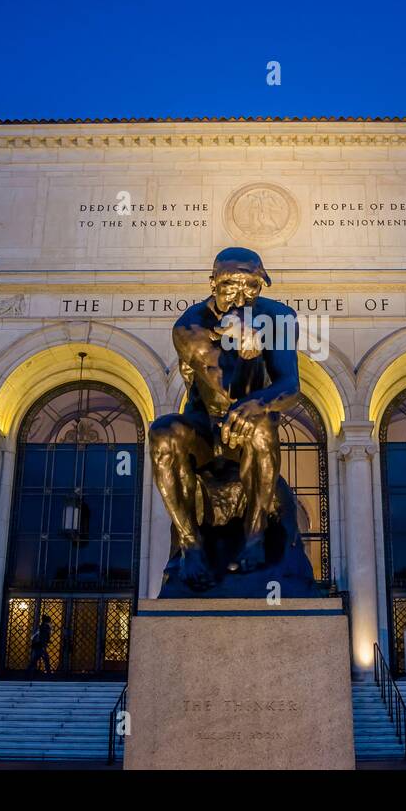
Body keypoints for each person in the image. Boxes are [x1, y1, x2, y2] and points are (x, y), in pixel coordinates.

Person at [149, 247, 301, 591]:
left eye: (252, 286)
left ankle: (255, 535)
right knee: (163, 434)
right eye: (232, 285)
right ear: (213, 282)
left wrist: (257, 400)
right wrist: (230, 337)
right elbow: (207, 387)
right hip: (207, 429)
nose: (243, 295)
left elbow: (291, 385)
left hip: (250, 427)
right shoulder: (188, 326)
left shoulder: (279, 317)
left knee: (261, 425)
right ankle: (190, 544)